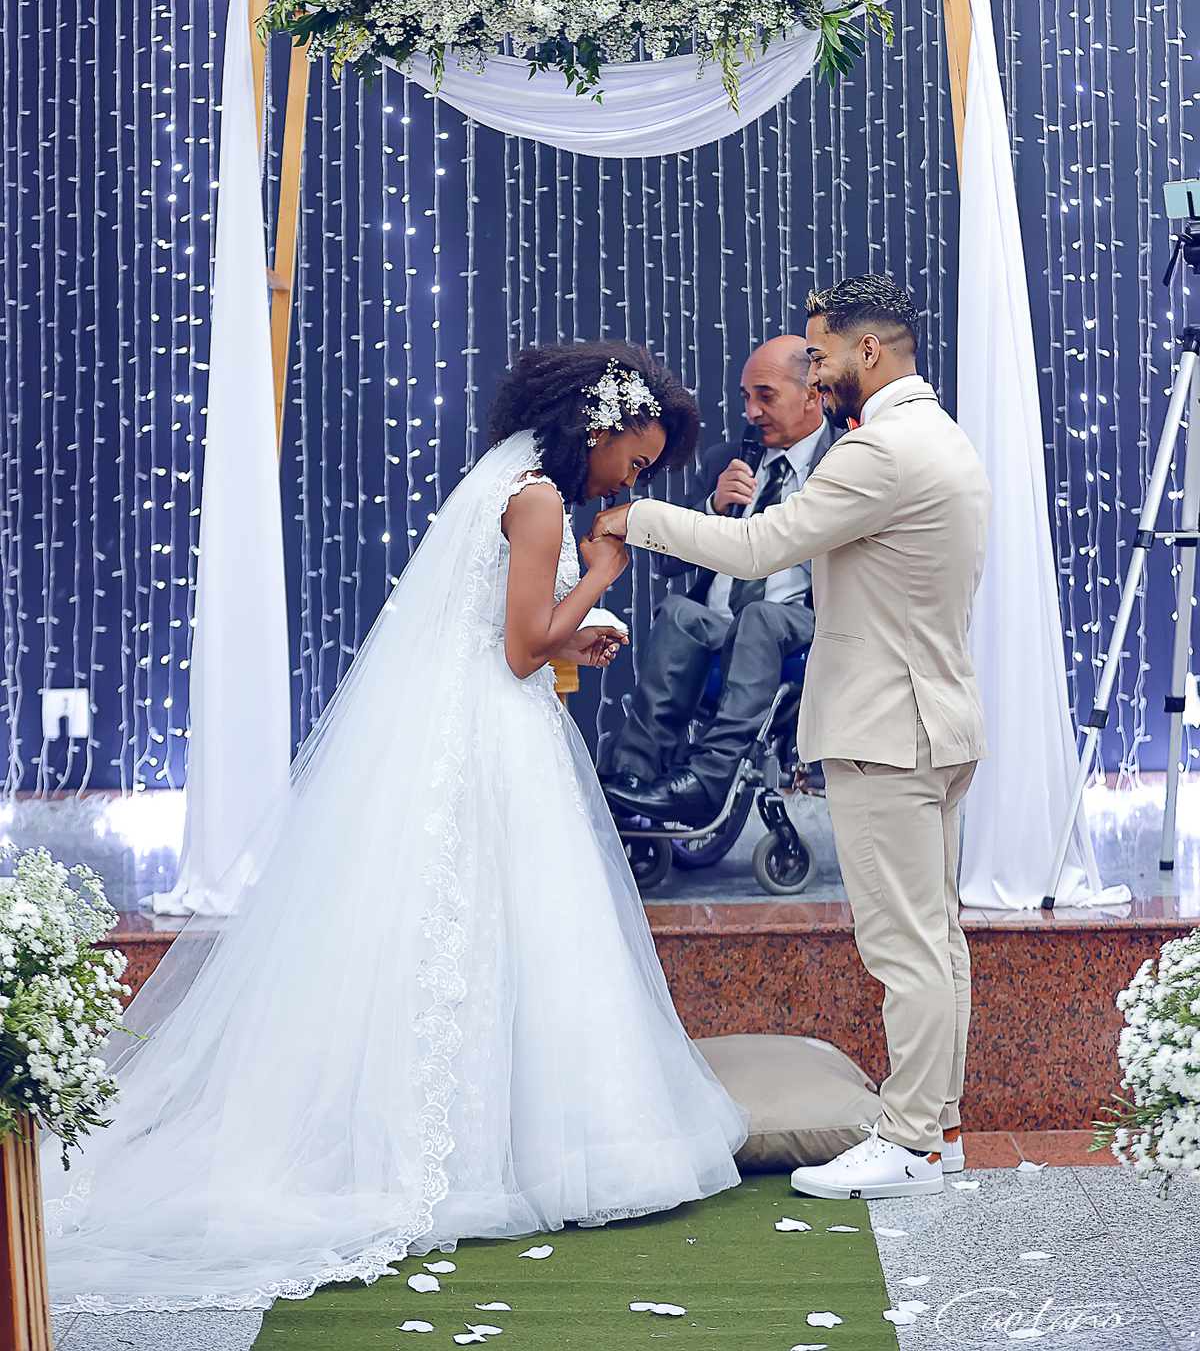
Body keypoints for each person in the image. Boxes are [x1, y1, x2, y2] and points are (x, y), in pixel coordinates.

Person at [44, 341, 746, 1312]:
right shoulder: (541, 500)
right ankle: (518, 1150)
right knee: (512, 925)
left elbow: (503, 630)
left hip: (467, 720)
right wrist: (601, 576)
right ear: (602, 427)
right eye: (637, 458)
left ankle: (492, 1138)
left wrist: (570, 628)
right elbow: (519, 651)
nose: (634, 479)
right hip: (492, 732)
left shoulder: (510, 478)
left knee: (478, 929)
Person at [588, 276, 991, 1201]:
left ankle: (913, 1142)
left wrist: (636, 518)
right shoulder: (942, 436)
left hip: (887, 731)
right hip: (939, 723)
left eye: (821, 354)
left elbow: (758, 550)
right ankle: (942, 1129)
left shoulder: (878, 451)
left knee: (904, 949)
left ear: (868, 352)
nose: (815, 371)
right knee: (937, 941)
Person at [600, 337, 840, 826]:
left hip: (802, 625)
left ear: (812, 394)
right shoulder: (725, 461)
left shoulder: (844, 461)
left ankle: (708, 780)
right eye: (745, 397)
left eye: (766, 396)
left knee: (760, 616)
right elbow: (668, 567)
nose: (751, 412)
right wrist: (711, 508)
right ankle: (630, 777)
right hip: (718, 623)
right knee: (680, 612)